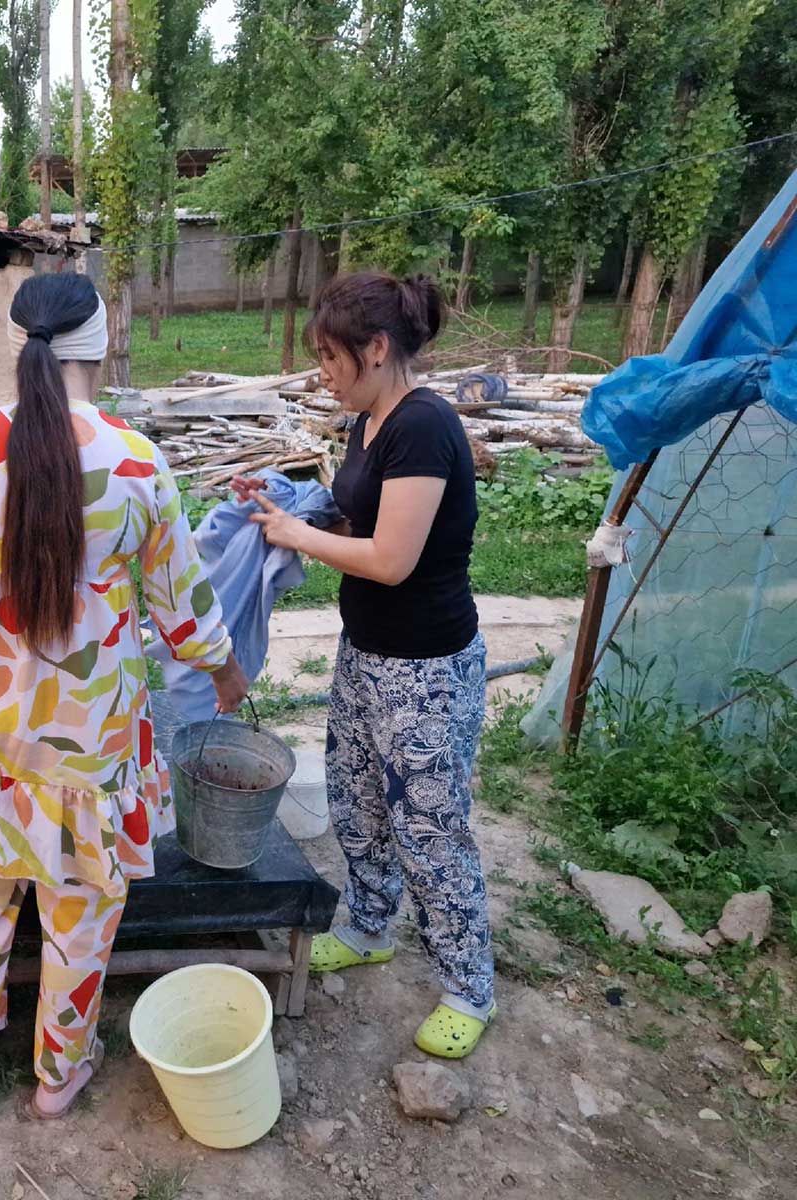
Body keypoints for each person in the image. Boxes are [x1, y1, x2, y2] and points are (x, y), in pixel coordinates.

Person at [0, 273, 250, 1122]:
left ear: (19, 344)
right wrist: (227, 674)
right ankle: (59, 1077)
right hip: (93, 744)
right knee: (80, 922)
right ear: (99, 344)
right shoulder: (136, 459)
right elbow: (182, 602)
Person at [237, 271, 495, 1059]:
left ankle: (469, 986)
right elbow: (361, 513)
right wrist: (293, 506)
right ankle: (371, 925)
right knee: (357, 801)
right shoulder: (370, 421)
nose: (322, 370)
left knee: (431, 828)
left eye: (329, 355)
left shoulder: (424, 425)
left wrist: (296, 536)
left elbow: (390, 557)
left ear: (377, 349)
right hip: (367, 653)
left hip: (425, 668)